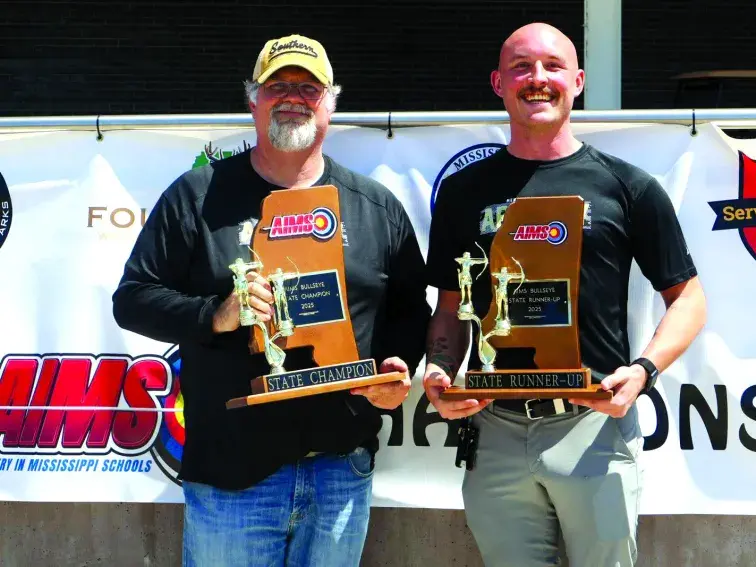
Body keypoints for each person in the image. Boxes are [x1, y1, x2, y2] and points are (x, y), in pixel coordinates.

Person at [112, 33, 431, 566]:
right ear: (252, 100)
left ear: (330, 103)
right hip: (233, 474)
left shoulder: (374, 206)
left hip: (340, 469)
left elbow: (409, 308)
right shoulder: (197, 196)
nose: (293, 97)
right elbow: (133, 300)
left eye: (309, 87)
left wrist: (397, 368)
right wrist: (216, 314)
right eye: (278, 85)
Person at [423, 23, 707, 567]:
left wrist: (643, 372)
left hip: (592, 426)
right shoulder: (462, 193)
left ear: (577, 81)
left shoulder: (626, 187)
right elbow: (450, 307)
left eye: (553, 66)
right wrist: (439, 370)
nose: (538, 78)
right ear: (498, 83)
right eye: (521, 67)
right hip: (495, 428)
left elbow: (689, 298)